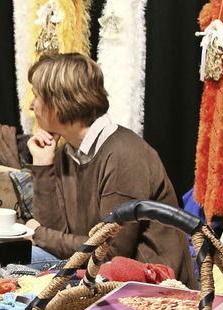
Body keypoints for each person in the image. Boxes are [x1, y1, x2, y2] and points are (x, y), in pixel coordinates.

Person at [24, 53, 198, 289]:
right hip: (97, 272)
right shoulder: (68, 152)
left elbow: (110, 252)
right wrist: (43, 167)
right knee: (17, 261)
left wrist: (39, 234)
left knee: (25, 262)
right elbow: (51, 233)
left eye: (36, 96)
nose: (31, 105)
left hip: (151, 287)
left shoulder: (124, 154)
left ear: (59, 101)